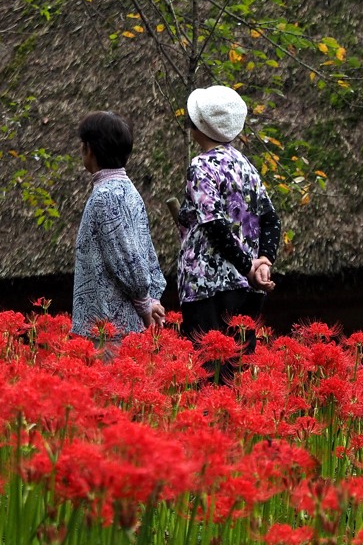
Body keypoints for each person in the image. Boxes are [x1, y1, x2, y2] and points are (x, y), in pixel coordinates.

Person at [177, 85, 281, 362]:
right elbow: (270, 219)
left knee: (208, 374)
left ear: (197, 126)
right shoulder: (246, 166)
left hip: (207, 289)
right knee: (237, 375)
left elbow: (214, 226)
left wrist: (249, 267)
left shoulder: (201, 166)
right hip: (246, 290)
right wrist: (263, 263)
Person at [72, 111, 166, 341]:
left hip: (108, 326)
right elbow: (145, 251)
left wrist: (145, 302)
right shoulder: (129, 191)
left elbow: (125, 259)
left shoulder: (104, 196)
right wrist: (150, 297)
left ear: (89, 149)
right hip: (123, 322)